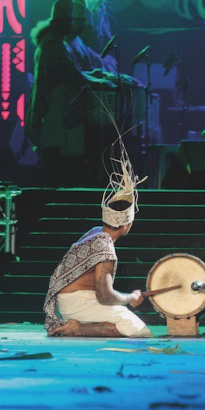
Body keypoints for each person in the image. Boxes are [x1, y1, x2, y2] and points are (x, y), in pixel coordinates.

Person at [43, 142, 152, 338]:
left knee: (120, 320)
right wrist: (131, 297)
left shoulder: (94, 232)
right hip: (77, 304)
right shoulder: (106, 250)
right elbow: (105, 296)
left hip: (69, 300)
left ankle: (77, 324)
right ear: (126, 225)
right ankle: (75, 329)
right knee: (136, 328)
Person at [24, 0, 113, 188]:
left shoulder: (56, 43)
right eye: (68, 20)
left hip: (55, 116)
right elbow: (74, 75)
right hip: (53, 116)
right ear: (57, 22)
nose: (71, 24)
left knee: (58, 169)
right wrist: (103, 81)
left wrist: (94, 76)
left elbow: (74, 73)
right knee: (56, 173)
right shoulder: (54, 46)